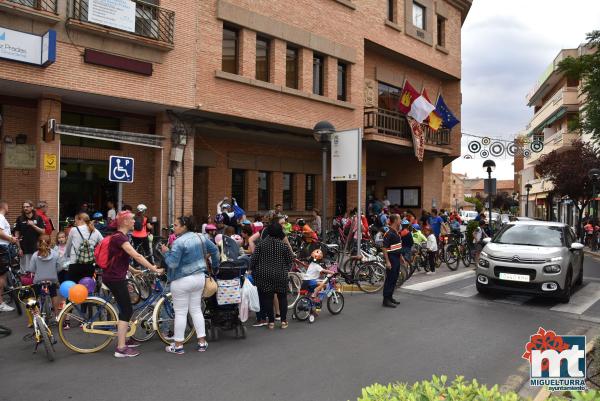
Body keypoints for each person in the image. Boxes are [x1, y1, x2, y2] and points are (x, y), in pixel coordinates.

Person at [106, 211, 163, 357]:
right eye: (132, 219)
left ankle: (126, 338)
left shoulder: (121, 237)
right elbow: (136, 255)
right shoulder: (120, 237)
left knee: (126, 307)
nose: (134, 222)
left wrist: (134, 271)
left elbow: (120, 259)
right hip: (115, 278)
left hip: (116, 276)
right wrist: (153, 268)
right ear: (125, 222)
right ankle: (121, 348)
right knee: (126, 310)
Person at [161, 216, 219, 354]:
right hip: (199, 278)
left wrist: (166, 253)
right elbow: (215, 250)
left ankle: (178, 345)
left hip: (181, 280)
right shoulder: (201, 237)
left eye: (176, 225)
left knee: (181, 312)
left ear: (184, 226)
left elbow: (172, 263)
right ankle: (202, 342)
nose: (173, 227)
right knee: (196, 310)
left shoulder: (178, 242)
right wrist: (215, 266)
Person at [250, 223, 293, 329]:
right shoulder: (283, 246)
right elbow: (289, 260)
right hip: (280, 274)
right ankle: (283, 321)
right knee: (282, 297)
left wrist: (254, 270)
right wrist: (286, 269)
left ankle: (271, 322)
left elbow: (253, 260)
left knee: (268, 298)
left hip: (264, 274)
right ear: (279, 233)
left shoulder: (261, 245)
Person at [27, 235, 64, 319]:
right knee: (54, 295)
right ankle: (57, 316)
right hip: (52, 279)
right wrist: (54, 271)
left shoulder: (35, 255)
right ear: (50, 243)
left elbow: (32, 269)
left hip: (39, 280)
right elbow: (60, 267)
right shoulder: (55, 254)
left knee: (34, 297)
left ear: (38, 243)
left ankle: (36, 316)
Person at [64, 213, 103, 284]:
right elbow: (103, 244)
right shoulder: (95, 231)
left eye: (76, 220)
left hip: (75, 263)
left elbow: (68, 246)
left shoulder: (74, 230)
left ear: (81, 220)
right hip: (89, 264)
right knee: (86, 288)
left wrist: (68, 255)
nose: (75, 223)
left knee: (73, 287)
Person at [14, 200, 45, 273]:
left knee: (36, 270)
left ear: (32, 207)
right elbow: (16, 234)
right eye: (24, 207)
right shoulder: (19, 219)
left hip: (36, 248)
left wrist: (33, 225)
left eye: (27, 207)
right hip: (24, 249)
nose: (25, 208)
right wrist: (19, 248)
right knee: (24, 271)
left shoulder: (38, 218)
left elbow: (43, 232)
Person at [0, 200, 18, 312]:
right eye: (8, 206)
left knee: (3, 274)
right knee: (1, 275)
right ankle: (1, 303)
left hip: (3, 247)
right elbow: (0, 233)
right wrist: (12, 239)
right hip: (2, 248)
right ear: (4, 207)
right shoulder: (1, 217)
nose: (9, 208)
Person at [382, 214, 402, 308]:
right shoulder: (389, 233)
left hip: (397, 257)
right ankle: (386, 300)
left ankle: (390, 297)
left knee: (394, 278)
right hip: (391, 258)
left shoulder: (396, 232)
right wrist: (387, 261)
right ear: (395, 221)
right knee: (390, 279)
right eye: (399, 219)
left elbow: (397, 246)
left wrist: (401, 257)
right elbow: (384, 248)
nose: (401, 221)